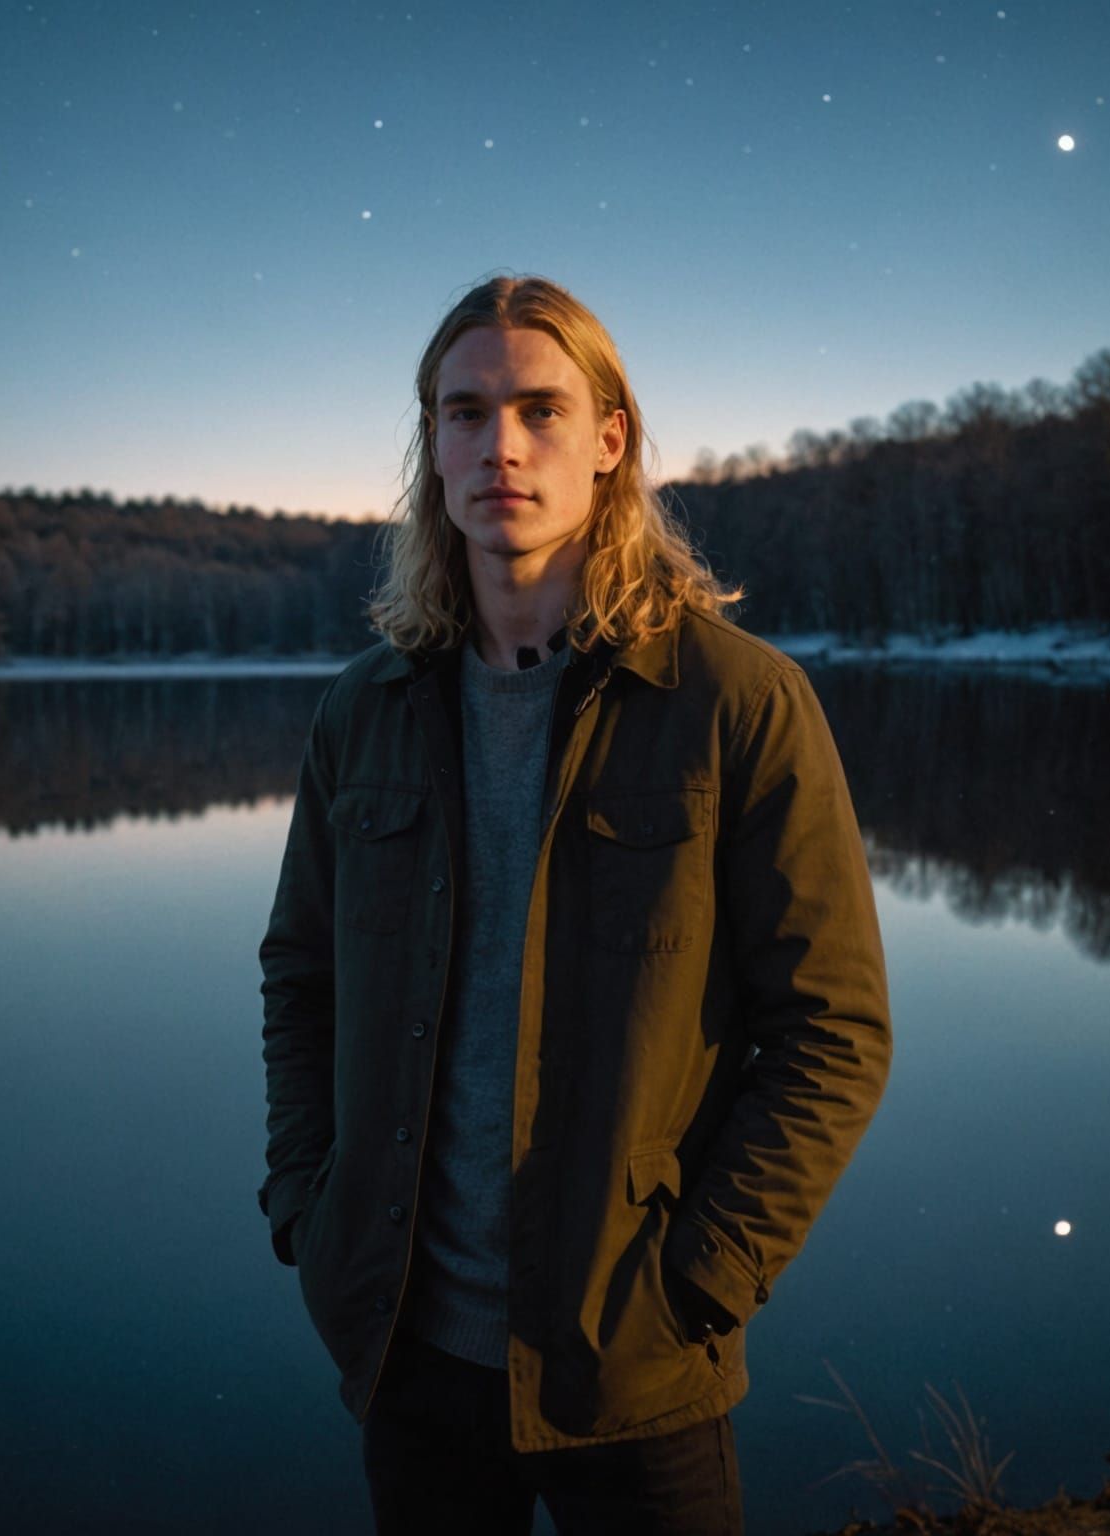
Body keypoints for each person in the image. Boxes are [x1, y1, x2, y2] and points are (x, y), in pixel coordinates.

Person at [258, 275, 891, 1535]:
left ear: (610, 441)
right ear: (433, 448)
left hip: (635, 1366)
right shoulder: (364, 711)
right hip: (406, 1354)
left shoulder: (736, 702)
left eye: (539, 409)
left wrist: (704, 1280)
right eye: (465, 412)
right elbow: (303, 977)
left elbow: (834, 1033)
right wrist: (306, 1206)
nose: (500, 445)